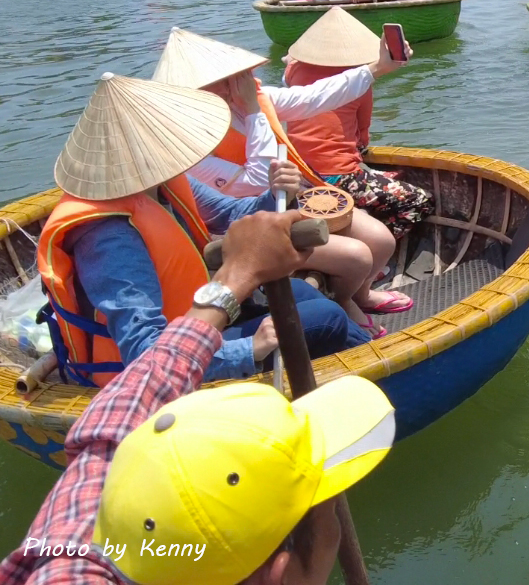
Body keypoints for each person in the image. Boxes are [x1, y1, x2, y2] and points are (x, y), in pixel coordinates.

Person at [2, 208, 395, 585]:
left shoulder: (74, 558)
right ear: (281, 575)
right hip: (191, 346)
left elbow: (121, 421)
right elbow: (133, 383)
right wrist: (239, 308)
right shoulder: (106, 236)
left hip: (202, 325)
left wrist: (234, 278)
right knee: (327, 318)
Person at [35, 73, 371, 389]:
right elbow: (143, 353)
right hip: (156, 366)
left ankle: (363, 356)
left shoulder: (160, 181)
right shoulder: (108, 235)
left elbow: (231, 213)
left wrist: (276, 192)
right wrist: (248, 349)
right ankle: (369, 373)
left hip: (197, 316)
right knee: (327, 316)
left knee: (301, 293)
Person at [153, 29, 412, 332]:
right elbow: (256, 181)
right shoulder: (186, 144)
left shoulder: (248, 101)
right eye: (223, 80)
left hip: (286, 200)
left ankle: (360, 294)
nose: (234, 85)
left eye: (233, 77)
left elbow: (313, 96)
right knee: (357, 256)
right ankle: (344, 301)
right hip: (245, 227)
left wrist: (378, 67)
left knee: (381, 240)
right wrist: (253, 112)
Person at [283, 8, 435, 241]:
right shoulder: (358, 82)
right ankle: (381, 246)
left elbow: (287, 69)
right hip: (336, 175)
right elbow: (363, 137)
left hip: (298, 170)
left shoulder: (293, 70)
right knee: (421, 201)